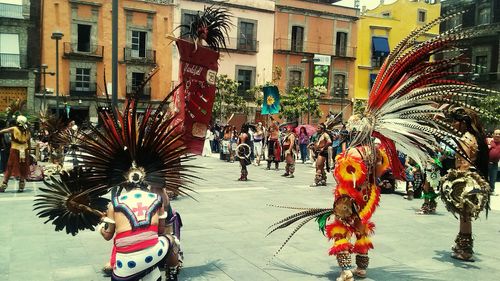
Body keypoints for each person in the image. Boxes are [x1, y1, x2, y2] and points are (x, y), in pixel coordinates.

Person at [441, 108, 490, 262]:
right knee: (465, 216)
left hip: (465, 181)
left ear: (462, 123)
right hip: (472, 180)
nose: (452, 124)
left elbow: (464, 164)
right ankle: (463, 245)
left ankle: (465, 249)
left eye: (455, 121)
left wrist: (455, 182)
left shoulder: (466, 138)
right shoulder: (474, 137)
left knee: (464, 216)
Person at [0, 115, 31, 193]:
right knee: (23, 167)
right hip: (24, 150)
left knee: (10, 167)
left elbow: (2, 131)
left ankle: (4, 185)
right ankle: (21, 185)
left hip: (15, 150)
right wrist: (29, 152)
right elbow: (29, 142)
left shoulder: (14, 129)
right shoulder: (27, 131)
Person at [487, 129, 500, 195]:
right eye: (496, 134)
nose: (497, 135)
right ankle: (484, 191)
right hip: (486, 163)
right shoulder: (488, 141)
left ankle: (492, 190)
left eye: (499, 134)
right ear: (493, 135)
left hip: (495, 164)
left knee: (493, 178)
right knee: (484, 177)